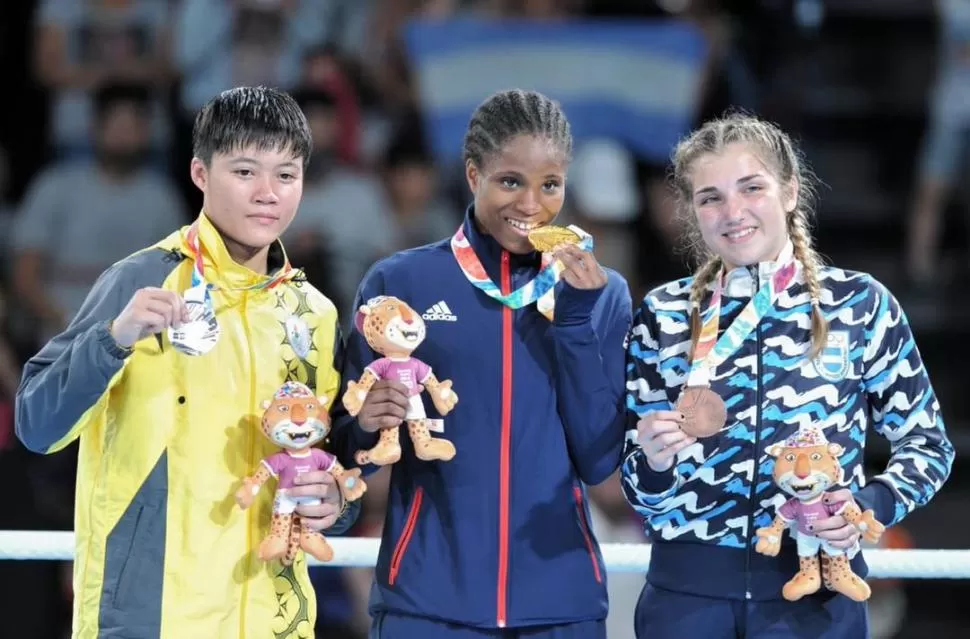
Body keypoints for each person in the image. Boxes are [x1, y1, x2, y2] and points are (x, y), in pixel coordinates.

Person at [14, 86, 360, 639]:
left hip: (276, 618)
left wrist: (336, 499)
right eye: (245, 172)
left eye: (286, 175)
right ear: (200, 173)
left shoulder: (313, 312)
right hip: (153, 617)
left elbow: (325, 463)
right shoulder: (141, 280)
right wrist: (114, 338)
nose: (268, 193)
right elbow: (36, 424)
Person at [621, 112, 954, 638]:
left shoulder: (859, 305)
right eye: (710, 197)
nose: (733, 212)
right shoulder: (663, 314)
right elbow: (636, 486)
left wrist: (866, 507)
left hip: (814, 598)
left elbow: (928, 445)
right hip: (687, 600)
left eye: (751, 188)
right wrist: (655, 464)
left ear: (791, 192)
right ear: (693, 213)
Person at [328, 89, 633, 638]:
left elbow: (598, 458)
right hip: (426, 602)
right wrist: (367, 426)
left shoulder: (602, 294)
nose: (531, 205)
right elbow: (349, 451)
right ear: (473, 176)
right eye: (510, 181)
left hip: (559, 606)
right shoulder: (400, 282)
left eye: (550, 185)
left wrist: (572, 323)